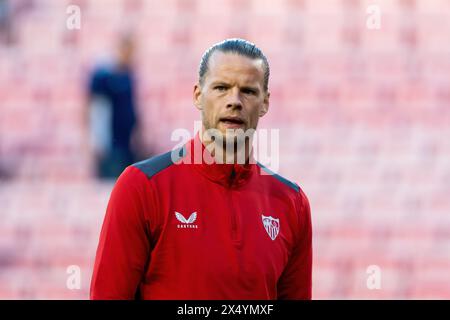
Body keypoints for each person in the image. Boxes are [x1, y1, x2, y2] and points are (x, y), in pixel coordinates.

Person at [90, 38, 312, 300]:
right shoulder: (142, 186)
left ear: (265, 103)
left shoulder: (291, 204)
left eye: (249, 91)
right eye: (221, 87)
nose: (235, 101)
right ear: (197, 95)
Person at [87, 35, 139, 178]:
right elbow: (95, 109)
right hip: (109, 142)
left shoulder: (129, 74)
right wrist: (95, 139)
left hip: (126, 143)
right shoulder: (103, 77)